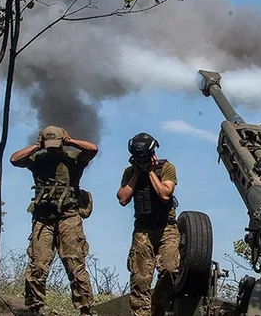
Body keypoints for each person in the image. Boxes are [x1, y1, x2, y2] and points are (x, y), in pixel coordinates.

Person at [10, 126, 98, 316]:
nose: (52, 149)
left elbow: (92, 149)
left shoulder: (73, 158)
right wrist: (37, 146)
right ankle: (34, 308)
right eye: (49, 146)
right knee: (38, 265)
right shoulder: (38, 159)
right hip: (43, 220)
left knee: (75, 264)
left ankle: (85, 309)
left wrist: (71, 141)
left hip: (69, 217)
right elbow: (14, 159)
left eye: (55, 145)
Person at [116, 133, 180, 316]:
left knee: (169, 269)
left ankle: (158, 308)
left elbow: (165, 194)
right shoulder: (130, 172)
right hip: (143, 229)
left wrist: (151, 172)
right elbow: (122, 198)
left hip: (166, 227)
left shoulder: (166, 168)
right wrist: (137, 173)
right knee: (140, 279)